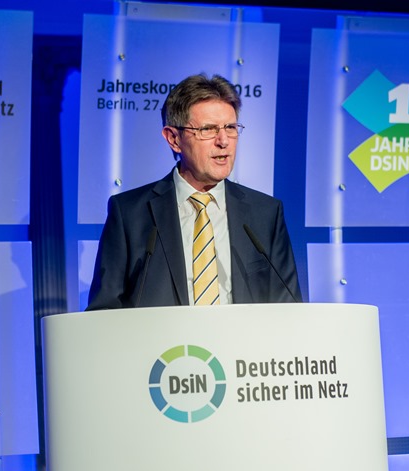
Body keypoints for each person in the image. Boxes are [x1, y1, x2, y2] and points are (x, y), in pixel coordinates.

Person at [87, 73, 301, 309]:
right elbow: (104, 311)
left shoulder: (265, 213)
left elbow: (288, 307)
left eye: (230, 127)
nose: (223, 141)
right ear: (174, 139)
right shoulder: (130, 213)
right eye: (208, 129)